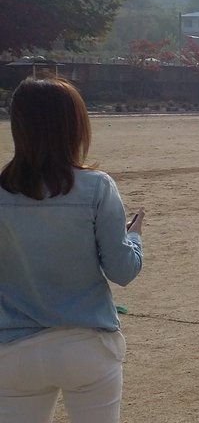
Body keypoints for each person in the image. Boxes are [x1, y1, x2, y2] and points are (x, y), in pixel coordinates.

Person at [0, 74, 145, 423]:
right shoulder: (97, 187)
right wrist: (135, 237)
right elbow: (122, 270)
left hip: (12, 350)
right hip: (87, 345)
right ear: (76, 126)